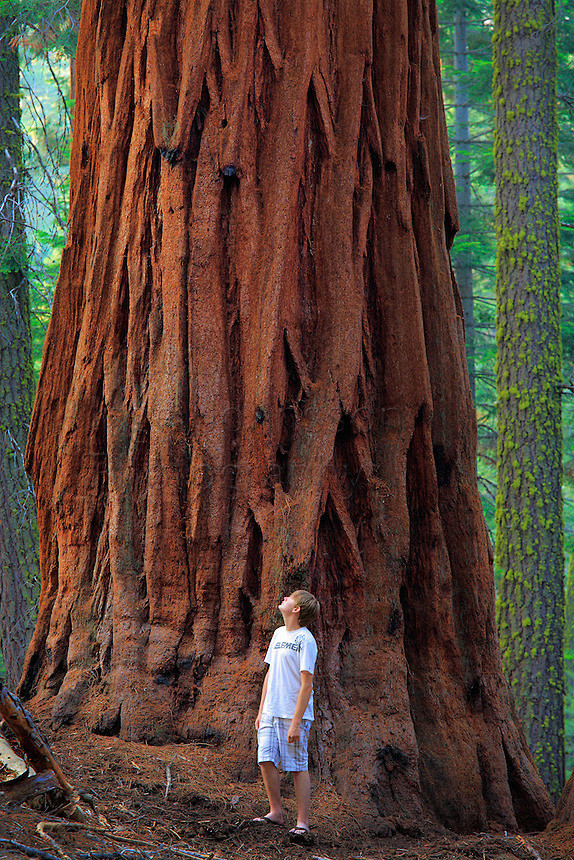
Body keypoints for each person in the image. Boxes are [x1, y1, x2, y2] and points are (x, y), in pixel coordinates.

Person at [253, 589, 320, 843]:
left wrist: (295, 723)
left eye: (290, 598)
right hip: (271, 710)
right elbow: (269, 674)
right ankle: (276, 812)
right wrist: (261, 711)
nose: (284, 599)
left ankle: (302, 823)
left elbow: (306, 684)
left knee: (297, 766)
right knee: (265, 759)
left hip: (294, 715)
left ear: (297, 609)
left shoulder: (306, 640)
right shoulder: (278, 634)